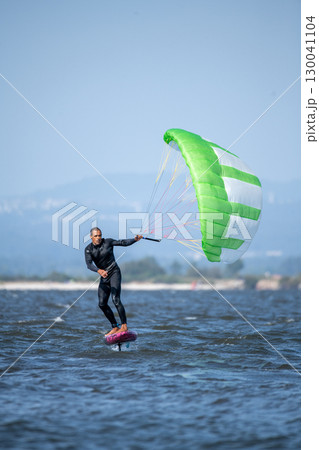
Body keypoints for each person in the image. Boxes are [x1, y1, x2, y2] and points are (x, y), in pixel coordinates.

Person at [85, 227, 142, 336]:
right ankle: (115, 326)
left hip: (114, 272)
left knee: (115, 299)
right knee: (102, 304)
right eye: (96, 236)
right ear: (91, 237)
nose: (98, 238)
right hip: (104, 275)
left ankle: (124, 326)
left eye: (100, 235)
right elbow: (89, 264)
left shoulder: (108, 242)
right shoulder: (88, 249)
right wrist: (99, 271)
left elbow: (123, 242)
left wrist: (134, 239)